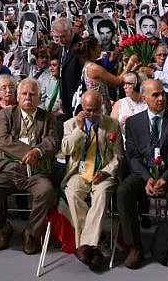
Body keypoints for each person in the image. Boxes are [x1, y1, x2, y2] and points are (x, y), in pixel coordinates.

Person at [117, 80, 168, 270]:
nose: (161, 98)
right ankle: (134, 246)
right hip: (145, 173)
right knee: (124, 190)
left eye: (163, 94)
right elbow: (132, 157)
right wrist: (147, 178)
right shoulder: (133, 123)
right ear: (144, 98)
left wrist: (164, 178)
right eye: (155, 95)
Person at [0, 78, 58, 255]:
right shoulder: (5, 115)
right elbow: (3, 141)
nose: (28, 97)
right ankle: (3, 228)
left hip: (36, 171)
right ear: (18, 96)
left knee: (46, 192)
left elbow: (52, 141)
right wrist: (30, 152)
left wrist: (37, 153)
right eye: (24, 93)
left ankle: (31, 233)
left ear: (39, 97)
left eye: (32, 94)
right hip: (8, 167)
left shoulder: (48, 118)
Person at [62, 90, 124, 270]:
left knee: (102, 193)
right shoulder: (70, 124)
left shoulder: (112, 124)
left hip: (102, 172)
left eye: (96, 110)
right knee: (72, 192)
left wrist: (106, 172)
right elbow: (66, 149)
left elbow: (118, 156)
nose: (93, 114)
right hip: (79, 173)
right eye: (88, 110)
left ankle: (84, 246)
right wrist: (80, 129)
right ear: (82, 108)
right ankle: (92, 246)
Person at [51, 18, 82, 122]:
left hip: (78, 100)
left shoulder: (80, 46)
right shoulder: (62, 47)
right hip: (66, 99)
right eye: (57, 37)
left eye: (63, 36)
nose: (60, 40)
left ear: (71, 31)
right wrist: (62, 96)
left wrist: (77, 99)